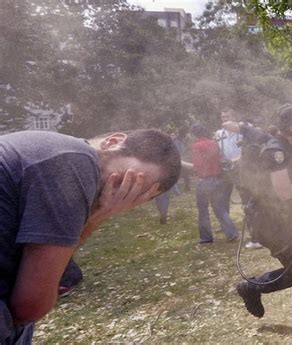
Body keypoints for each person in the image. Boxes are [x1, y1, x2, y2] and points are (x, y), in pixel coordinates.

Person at [0, 129, 181, 344]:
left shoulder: (61, 150)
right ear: (113, 142)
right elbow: (29, 305)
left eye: (136, 195)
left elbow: (53, 273)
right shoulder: (76, 161)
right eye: (124, 180)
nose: (121, 194)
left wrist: (100, 215)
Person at [225, 104, 292, 318]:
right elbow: (283, 192)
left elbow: (286, 186)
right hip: (267, 221)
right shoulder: (276, 151)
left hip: (284, 215)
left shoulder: (288, 147)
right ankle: (251, 288)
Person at [190, 123, 239, 244]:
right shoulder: (213, 143)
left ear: (195, 134)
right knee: (219, 208)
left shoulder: (197, 146)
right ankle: (231, 233)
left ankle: (206, 237)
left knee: (203, 210)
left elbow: (197, 165)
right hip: (218, 179)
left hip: (205, 180)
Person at [215, 109, 242, 214]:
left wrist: (235, 160)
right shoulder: (218, 134)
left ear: (234, 118)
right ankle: (226, 222)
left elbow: (246, 150)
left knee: (245, 195)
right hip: (225, 170)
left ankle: (251, 221)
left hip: (240, 168)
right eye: (223, 117)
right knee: (223, 197)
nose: (225, 119)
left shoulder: (241, 132)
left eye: (227, 117)